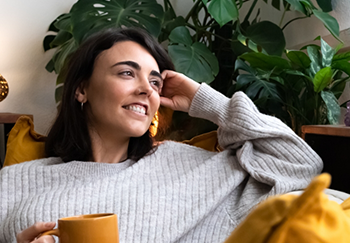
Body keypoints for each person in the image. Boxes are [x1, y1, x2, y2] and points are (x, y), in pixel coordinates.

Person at [0, 27, 322, 243]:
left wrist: (203, 101)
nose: (145, 89)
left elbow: (300, 164)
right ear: (82, 89)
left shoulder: (194, 169)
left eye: (155, 82)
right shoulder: (17, 181)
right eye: (127, 73)